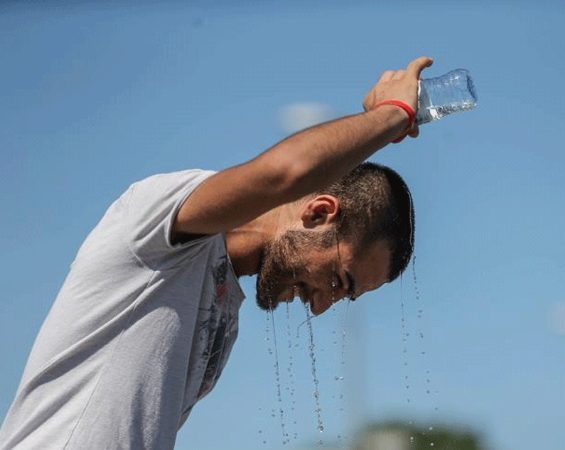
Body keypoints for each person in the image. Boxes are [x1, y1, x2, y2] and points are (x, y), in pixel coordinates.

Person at [0, 56, 434, 450]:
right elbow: (284, 174)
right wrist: (393, 116)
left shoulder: (225, 310)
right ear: (319, 213)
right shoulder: (161, 224)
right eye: (339, 281)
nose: (320, 307)